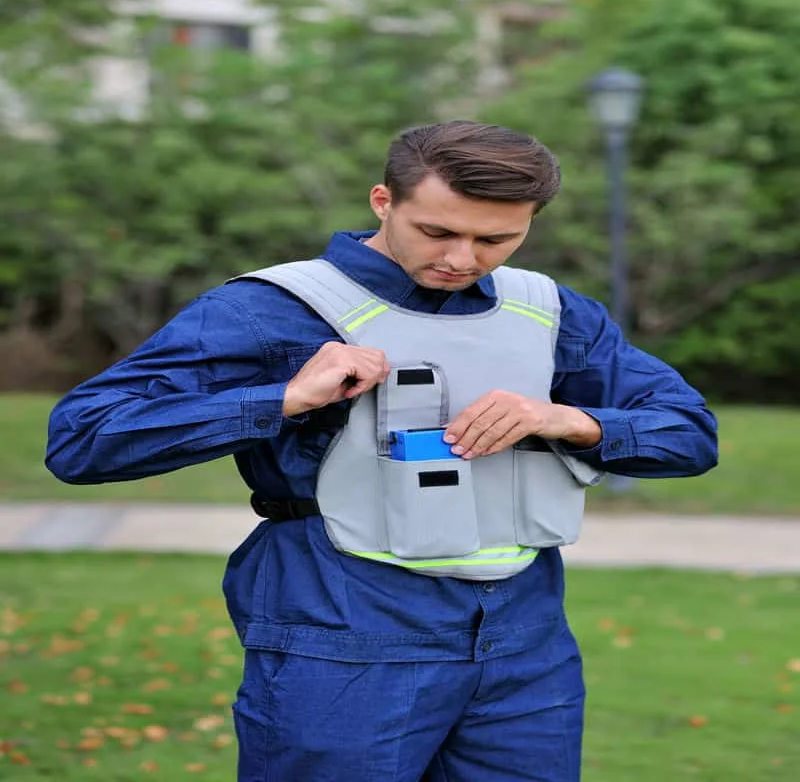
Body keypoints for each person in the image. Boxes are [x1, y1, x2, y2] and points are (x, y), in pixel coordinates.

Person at [46, 121, 718, 782]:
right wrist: (285, 399)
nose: (463, 257)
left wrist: (569, 419)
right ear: (383, 201)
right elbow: (84, 438)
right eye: (438, 231)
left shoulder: (551, 312)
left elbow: (690, 434)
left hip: (525, 646)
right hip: (344, 632)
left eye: (496, 239)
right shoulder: (271, 309)